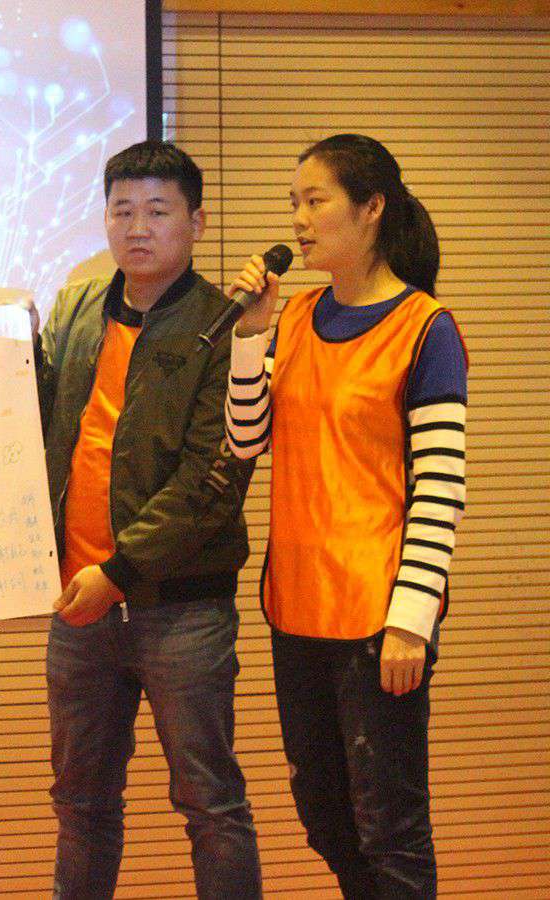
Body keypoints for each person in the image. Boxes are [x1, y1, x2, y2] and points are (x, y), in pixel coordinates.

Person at [224, 134, 468, 898]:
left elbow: (440, 487)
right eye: (293, 203)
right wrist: (249, 334)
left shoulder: (425, 327)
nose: (298, 220)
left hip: (378, 615)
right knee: (324, 815)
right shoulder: (296, 316)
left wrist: (412, 621)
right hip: (297, 605)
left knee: (390, 830)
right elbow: (246, 439)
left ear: (371, 208)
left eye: (315, 200)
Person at [35, 140, 262, 899]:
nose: (137, 228)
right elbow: (30, 425)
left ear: (196, 223)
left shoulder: (224, 326)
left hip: (181, 610)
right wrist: (7, 355)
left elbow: (213, 481)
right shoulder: (75, 311)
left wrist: (119, 571)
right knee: (80, 805)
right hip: (79, 607)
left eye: (158, 211)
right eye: (122, 210)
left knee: (211, 807)